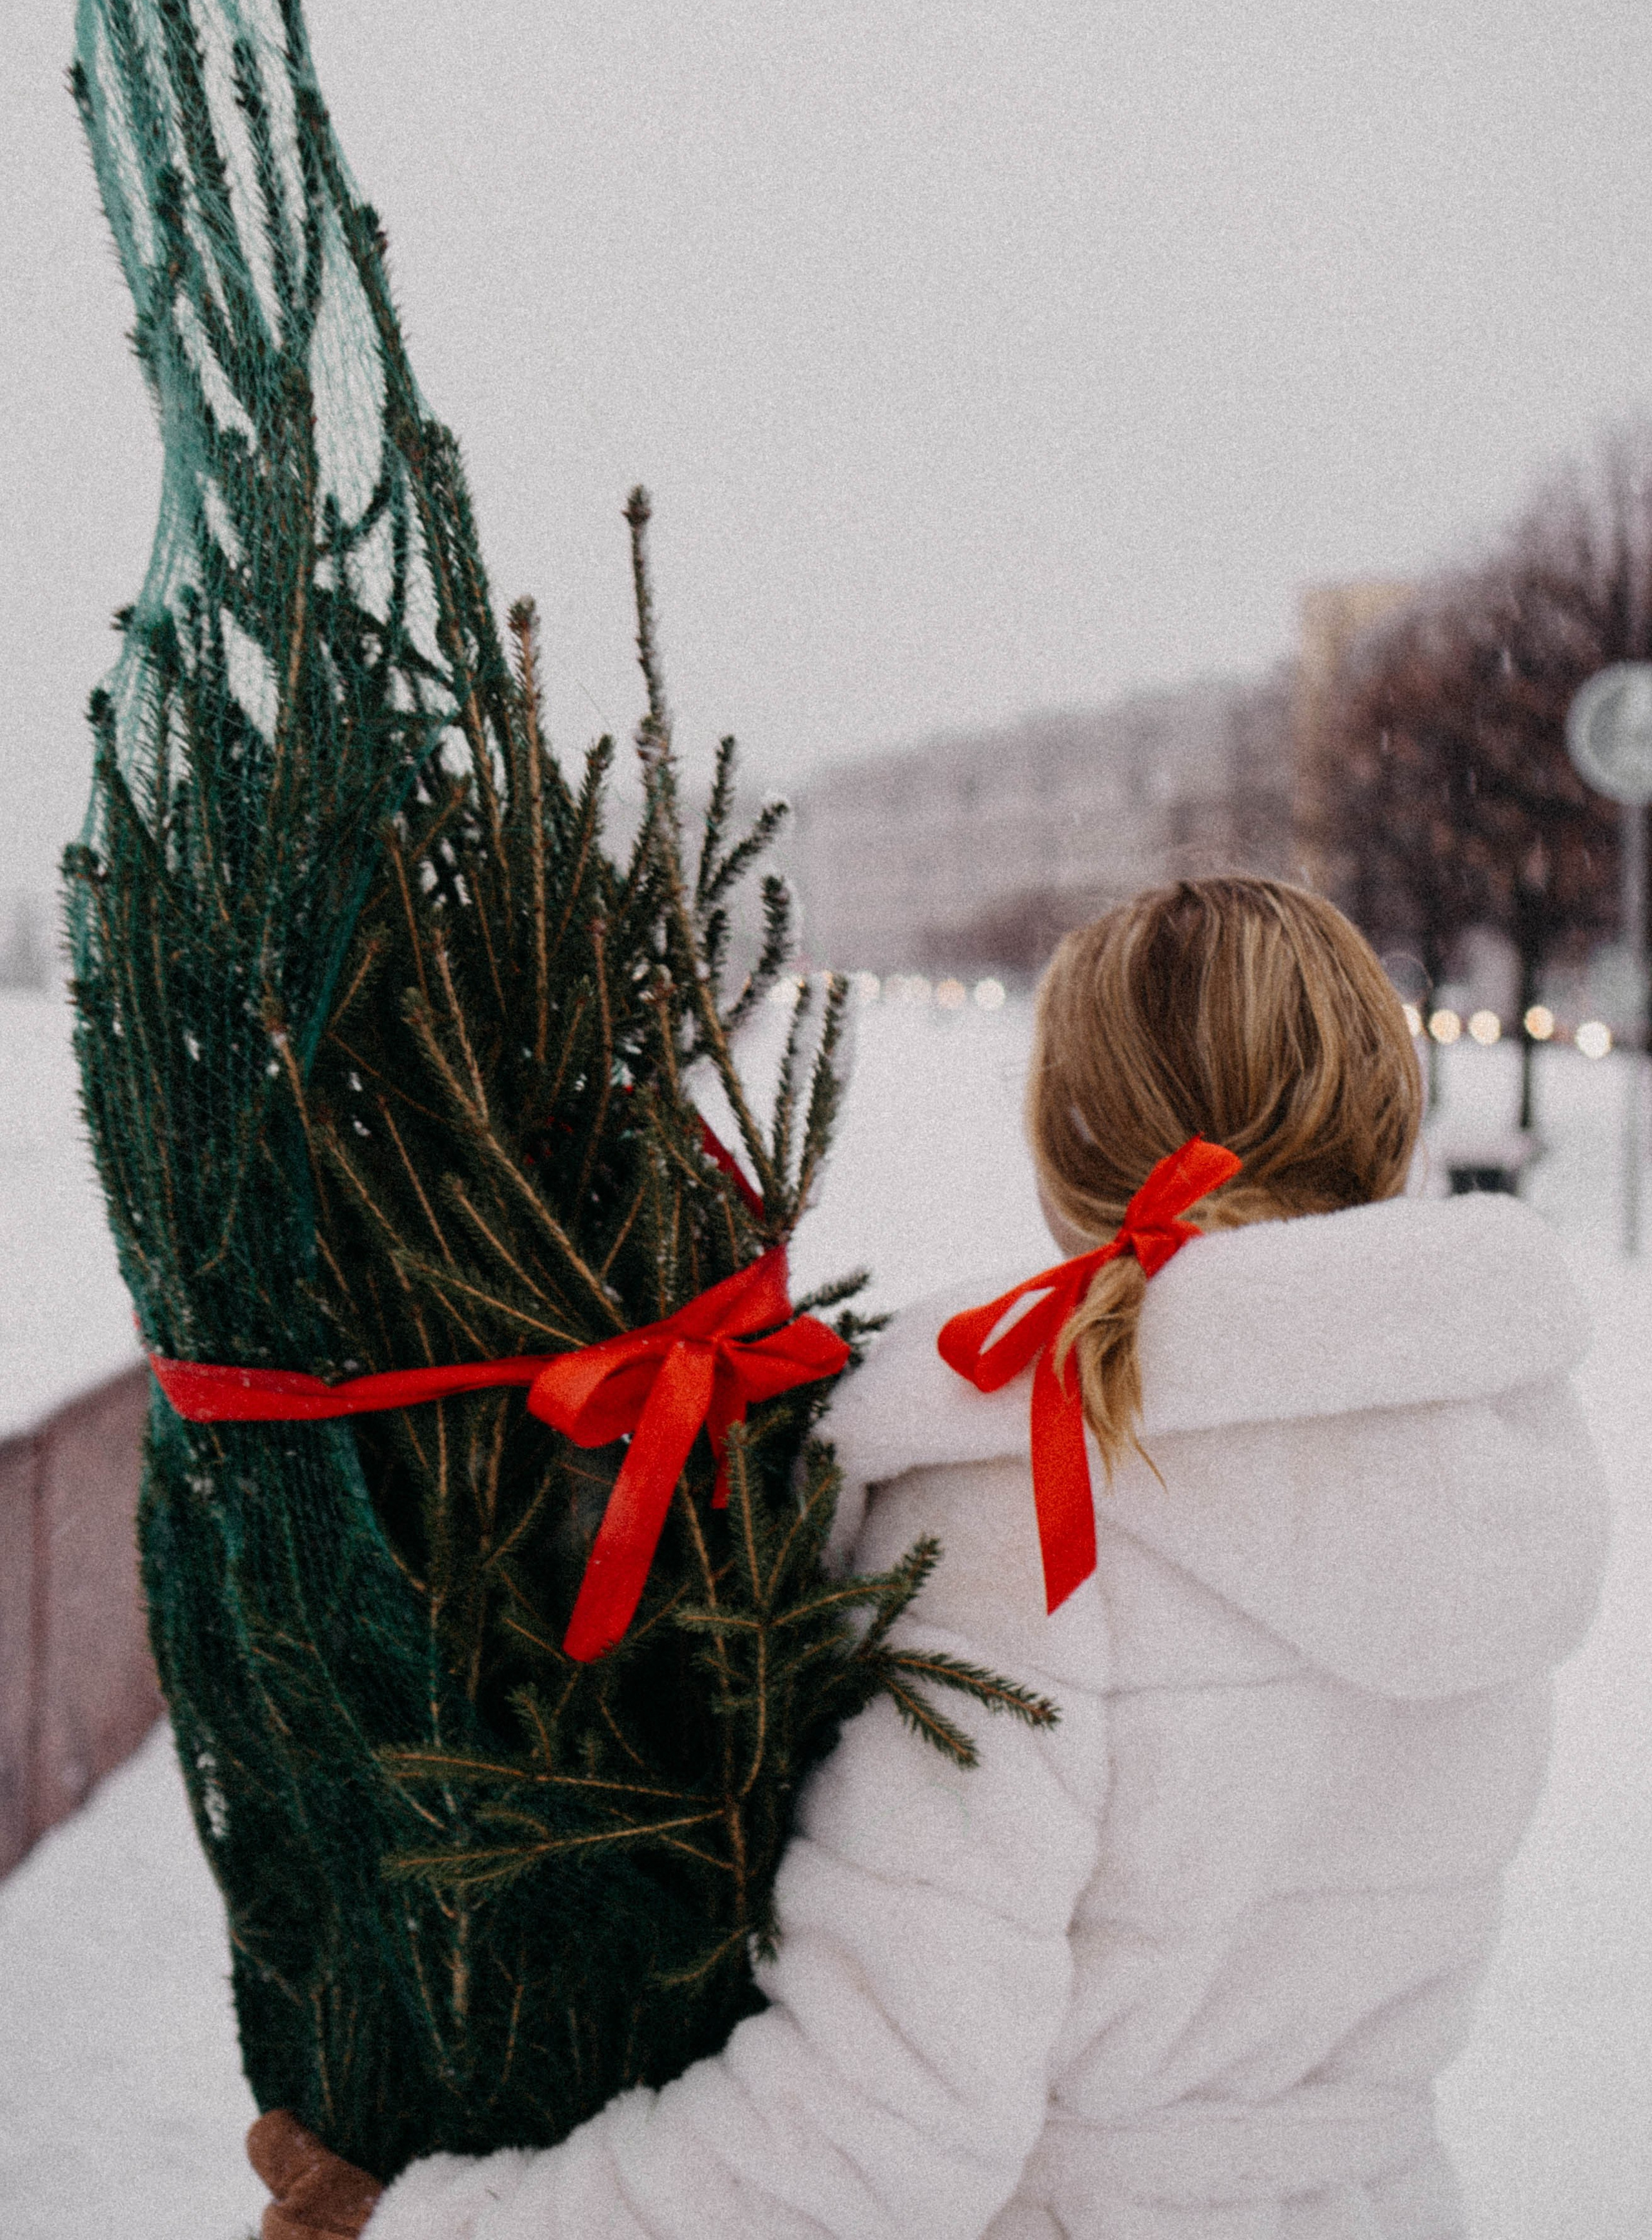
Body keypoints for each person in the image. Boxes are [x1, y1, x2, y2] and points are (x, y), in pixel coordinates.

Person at [259, 874, 1608, 2240]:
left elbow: (867, 2136)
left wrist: (435, 2227)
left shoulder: (1031, 1522)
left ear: (1067, 1131)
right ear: (1382, 1111)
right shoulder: (1479, 1481)